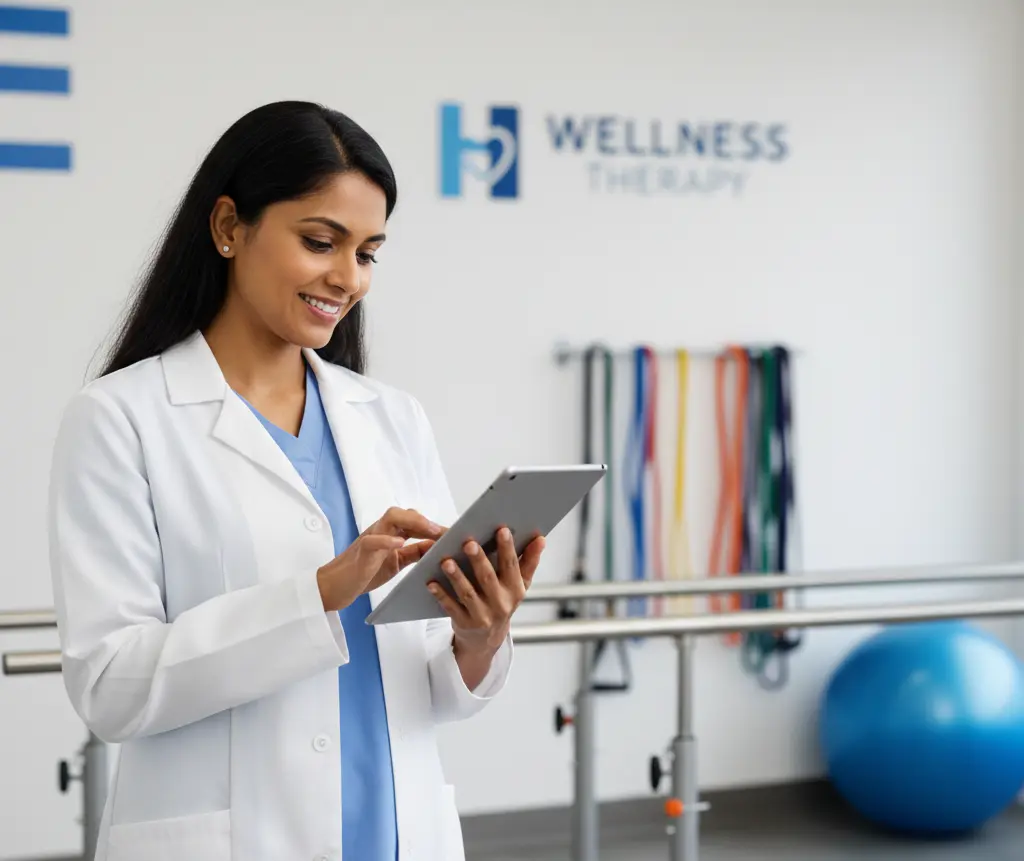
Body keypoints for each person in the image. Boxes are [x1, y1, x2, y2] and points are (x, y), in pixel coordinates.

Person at [47, 100, 546, 861]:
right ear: (228, 226)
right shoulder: (121, 419)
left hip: (396, 835)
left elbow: (431, 687)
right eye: (320, 242)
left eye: (368, 253)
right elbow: (110, 687)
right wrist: (320, 593)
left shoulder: (392, 417)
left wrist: (479, 636)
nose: (348, 278)